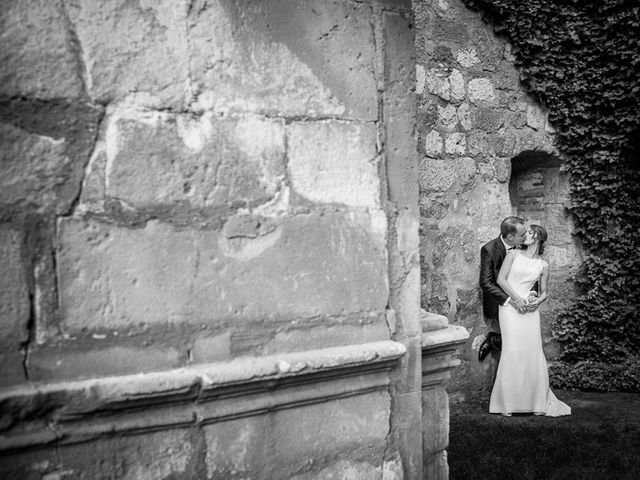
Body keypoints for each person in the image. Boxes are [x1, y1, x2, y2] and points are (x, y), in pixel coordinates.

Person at [489, 224, 571, 417]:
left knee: (531, 352)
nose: (525, 235)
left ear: (538, 238)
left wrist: (536, 302)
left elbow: (544, 293)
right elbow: (501, 280)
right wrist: (517, 300)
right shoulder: (513, 255)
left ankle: (533, 402)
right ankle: (507, 403)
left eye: (530, 233)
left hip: (530, 312)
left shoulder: (543, 265)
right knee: (513, 350)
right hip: (510, 309)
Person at [480, 217, 528, 333]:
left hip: (523, 303)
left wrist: (531, 295)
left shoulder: (524, 246)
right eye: (522, 235)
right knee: (502, 342)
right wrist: (511, 301)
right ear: (510, 237)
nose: (526, 236)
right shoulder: (489, 249)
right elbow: (485, 283)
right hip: (499, 304)